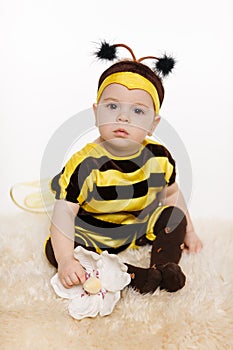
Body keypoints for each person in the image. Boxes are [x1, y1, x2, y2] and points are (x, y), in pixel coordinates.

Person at [44, 41, 203, 294]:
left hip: (137, 226)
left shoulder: (159, 158)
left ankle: (165, 266)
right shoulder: (84, 165)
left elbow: (172, 196)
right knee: (56, 248)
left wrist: (190, 232)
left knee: (173, 218)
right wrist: (66, 261)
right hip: (94, 233)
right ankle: (132, 275)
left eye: (138, 111)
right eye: (112, 106)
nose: (123, 117)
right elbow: (64, 215)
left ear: (153, 124)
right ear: (96, 113)